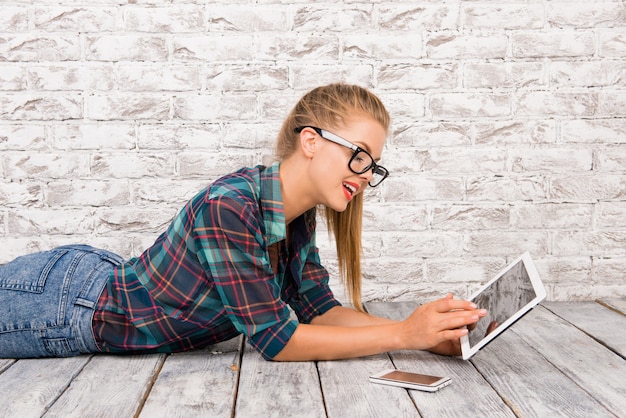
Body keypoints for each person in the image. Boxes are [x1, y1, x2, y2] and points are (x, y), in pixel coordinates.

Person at [0, 83, 486, 361]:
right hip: (69, 305)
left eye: (372, 164)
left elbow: (317, 310)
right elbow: (278, 340)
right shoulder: (230, 207)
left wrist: (419, 333)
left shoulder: (294, 217)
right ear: (311, 141)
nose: (364, 175)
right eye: (359, 156)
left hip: (97, 277)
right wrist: (403, 336)